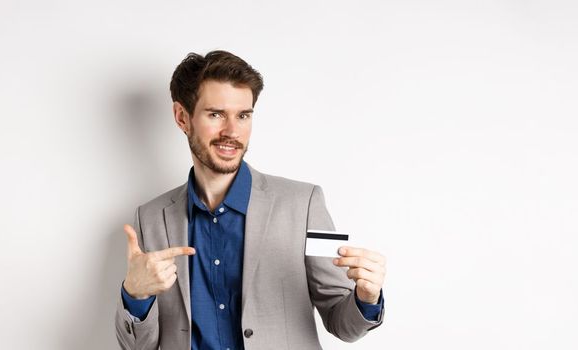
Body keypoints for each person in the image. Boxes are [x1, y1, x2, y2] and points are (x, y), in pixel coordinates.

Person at [114, 50, 387, 350]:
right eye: (216, 114)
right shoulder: (150, 218)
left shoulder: (307, 204)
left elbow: (341, 321)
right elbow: (137, 347)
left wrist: (366, 298)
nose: (232, 131)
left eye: (243, 115)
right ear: (182, 117)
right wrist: (135, 295)